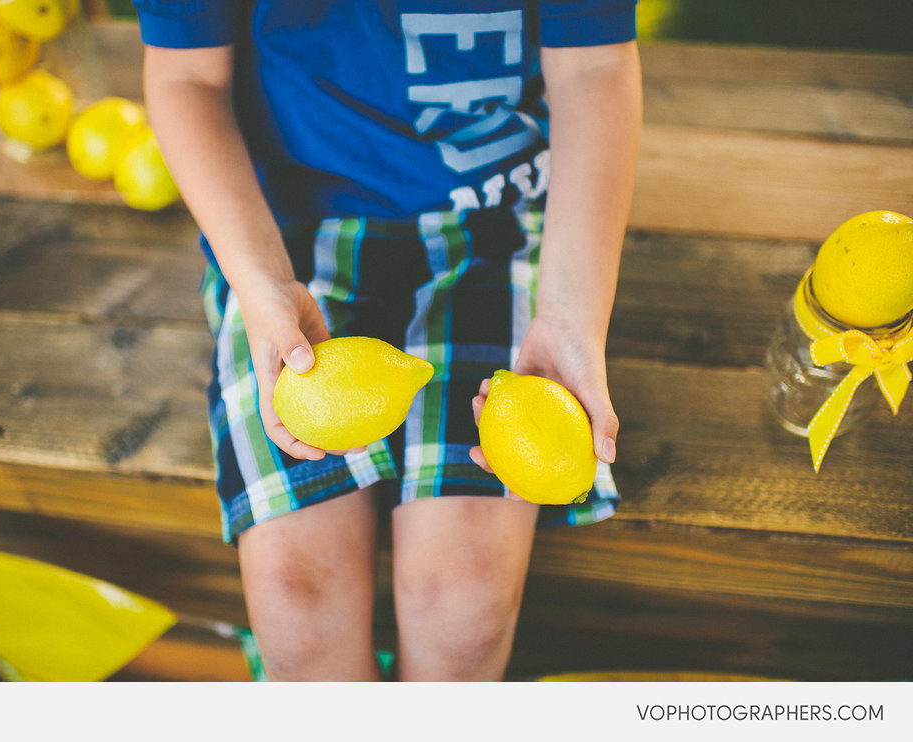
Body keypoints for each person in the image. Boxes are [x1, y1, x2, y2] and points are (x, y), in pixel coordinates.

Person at [133, 0, 642, 681]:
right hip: (281, 244)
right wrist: (258, 281)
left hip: (494, 228)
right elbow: (184, 77)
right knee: (296, 618)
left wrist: (574, 313)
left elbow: (596, 63)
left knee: (466, 613)